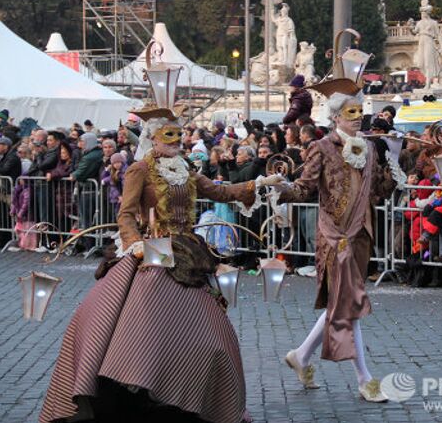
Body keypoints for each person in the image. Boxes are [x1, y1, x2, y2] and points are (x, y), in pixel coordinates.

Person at [39, 115, 281, 423]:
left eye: (179, 135)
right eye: (169, 135)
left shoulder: (186, 169)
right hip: (152, 250)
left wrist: (259, 184)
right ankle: (130, 379)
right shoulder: (140, 170)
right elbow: (125, 215)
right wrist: (136, 243)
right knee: (141, 317)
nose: (176, 141)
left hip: (189, 253)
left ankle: (186, 388)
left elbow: (220, 193)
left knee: (207, 329)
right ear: (153, 139)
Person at [273, 81, 402, 402]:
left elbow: (376, 193)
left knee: (341, 304)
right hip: (334, 237)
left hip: (361, 235)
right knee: (351, 305)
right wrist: (281, 188)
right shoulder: (322, 147)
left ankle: (301, 355)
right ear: (336, 117)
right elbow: (304, 187)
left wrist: (394, 163)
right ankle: (365, 380)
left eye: (360, 111)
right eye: (351, 112)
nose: (358, 117)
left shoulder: (369, 148)